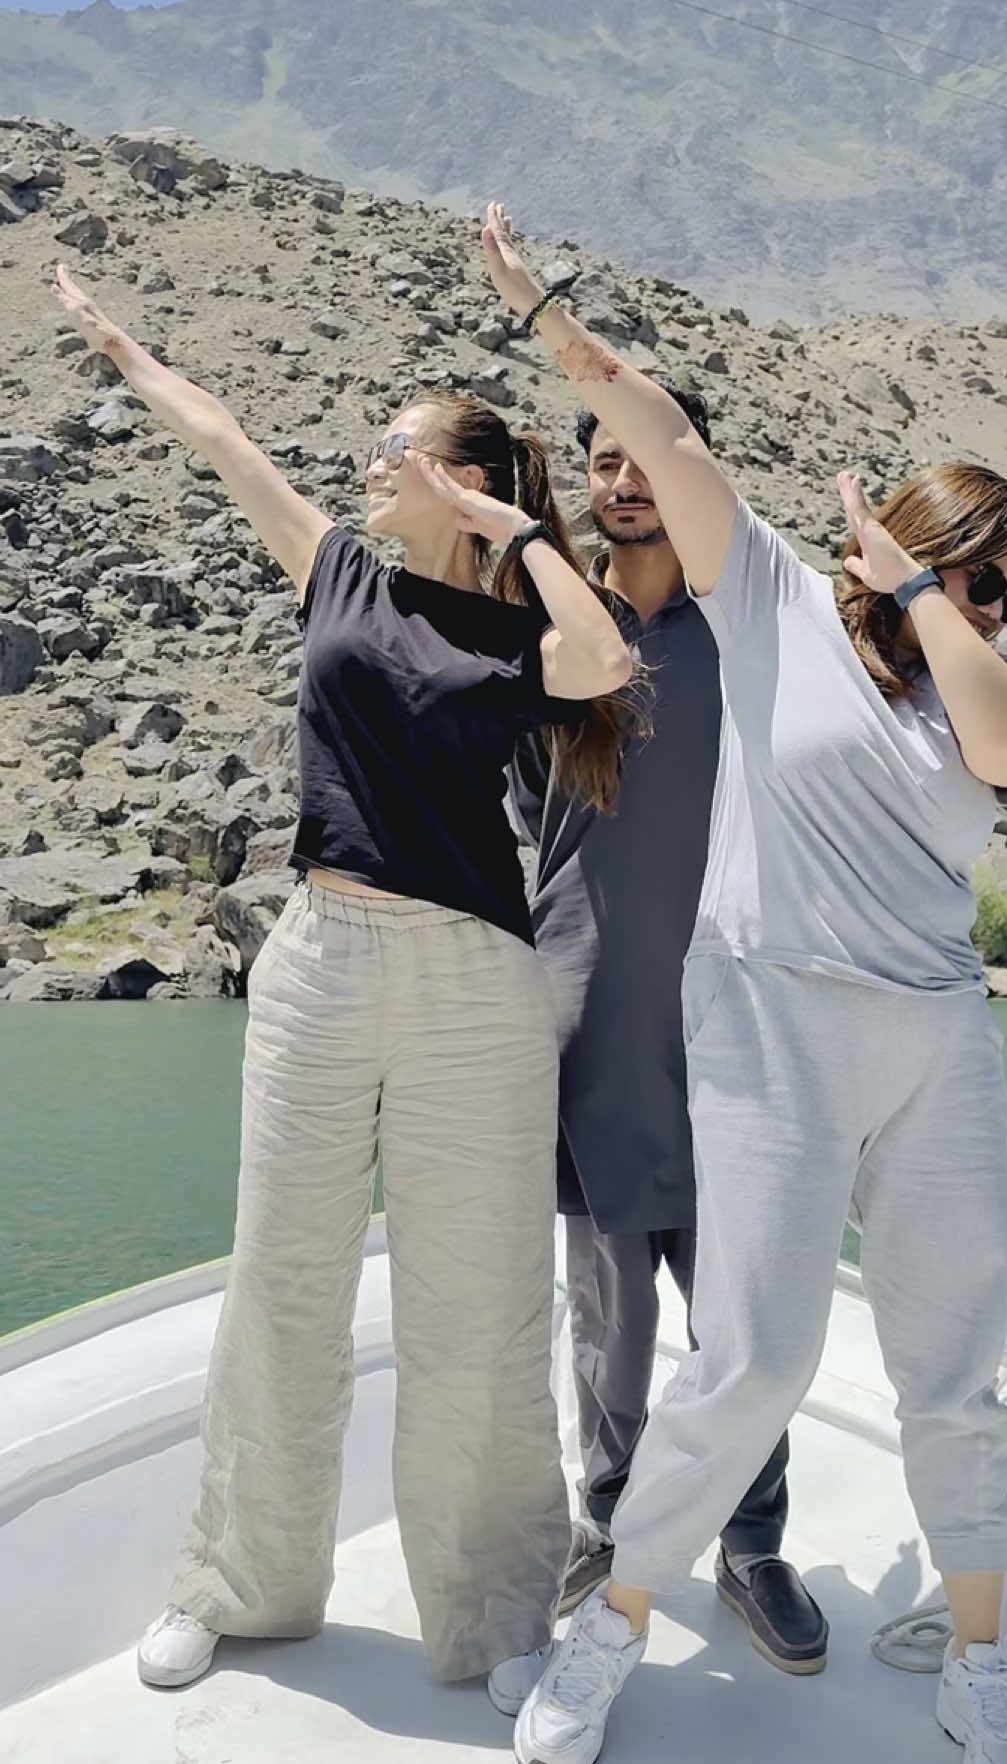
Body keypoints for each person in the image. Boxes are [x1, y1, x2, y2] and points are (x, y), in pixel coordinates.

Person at [478, 208, 1007, 1764]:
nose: (994, 611)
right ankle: (610, 1637)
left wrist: (937, 608)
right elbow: (655, 428)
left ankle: (977, 1666)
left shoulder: (967, 694)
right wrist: (545, 310)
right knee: (751, 1359)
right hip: (772, 1022)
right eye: (971, 578)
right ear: (894, 547)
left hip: (933, 1040)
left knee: (953, 1368)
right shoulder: (775, 601)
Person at [49, 264, 633, 1711]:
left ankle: (497, 1618)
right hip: (318, 962)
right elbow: (223, 436)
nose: (364, 467)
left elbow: (601, 655)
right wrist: (125, 344)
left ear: (457, 477)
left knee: (477, 1308)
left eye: (391, 450)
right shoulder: (336, 568)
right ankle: (236, 1587)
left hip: (473, 985)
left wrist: (518, 533)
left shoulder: (514, 633)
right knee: (283, 1286)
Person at [508, 380, 827, 1673]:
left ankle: (751, 1541)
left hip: (727, 1022)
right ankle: (610, 1521)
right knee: (607, 1306)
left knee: (737, 1299)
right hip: (585, 1017)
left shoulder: (743, 627)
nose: (624, 478)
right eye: (603, 457)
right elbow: (527, 824)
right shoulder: (557, 638)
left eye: (648, 456)